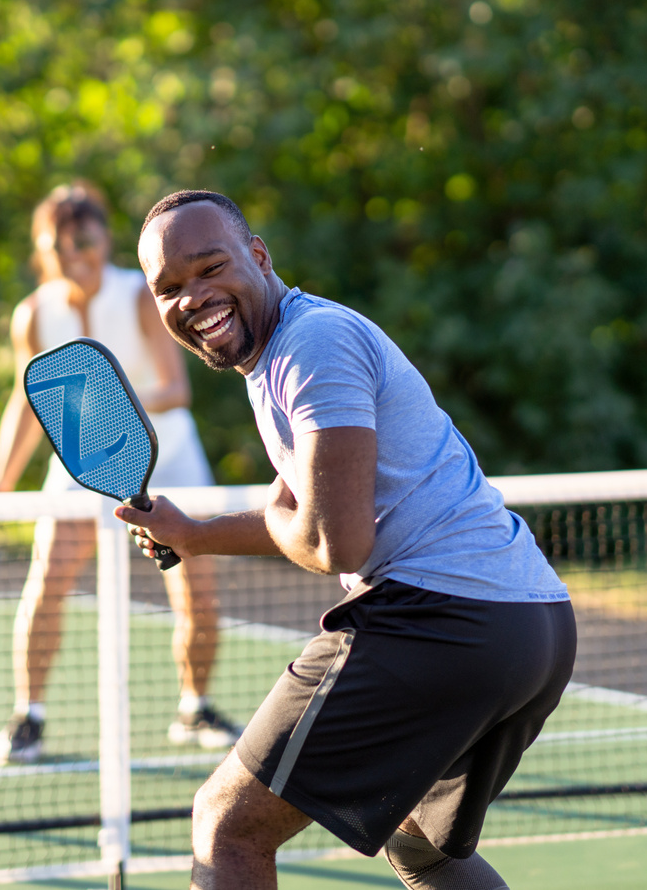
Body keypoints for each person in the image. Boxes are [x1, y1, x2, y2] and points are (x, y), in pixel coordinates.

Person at [116, 189, 576, 890]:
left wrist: (278, 519)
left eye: (210, 267)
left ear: (260, 255)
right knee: (419, 844)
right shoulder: (279, 353)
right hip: (530, 624)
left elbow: (337, 542)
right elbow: (304, 508)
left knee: (226, 822)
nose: (193, 296)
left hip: (443, 617)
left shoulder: (312, 345)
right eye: (169, 287)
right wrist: (195, 534)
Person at [0, 183, 242, 765]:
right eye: (60, 244)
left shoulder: (140, 295)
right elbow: (28, 402)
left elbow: (176, 389)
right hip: (80, 466)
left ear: (103, 239)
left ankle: (194, 706)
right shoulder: (33, 314)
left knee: (196, 590)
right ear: (44, 250)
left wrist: (109, 407)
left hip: (168, 458)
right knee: (46, 582)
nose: (75, 253)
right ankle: (30, 715)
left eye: (85, 240)